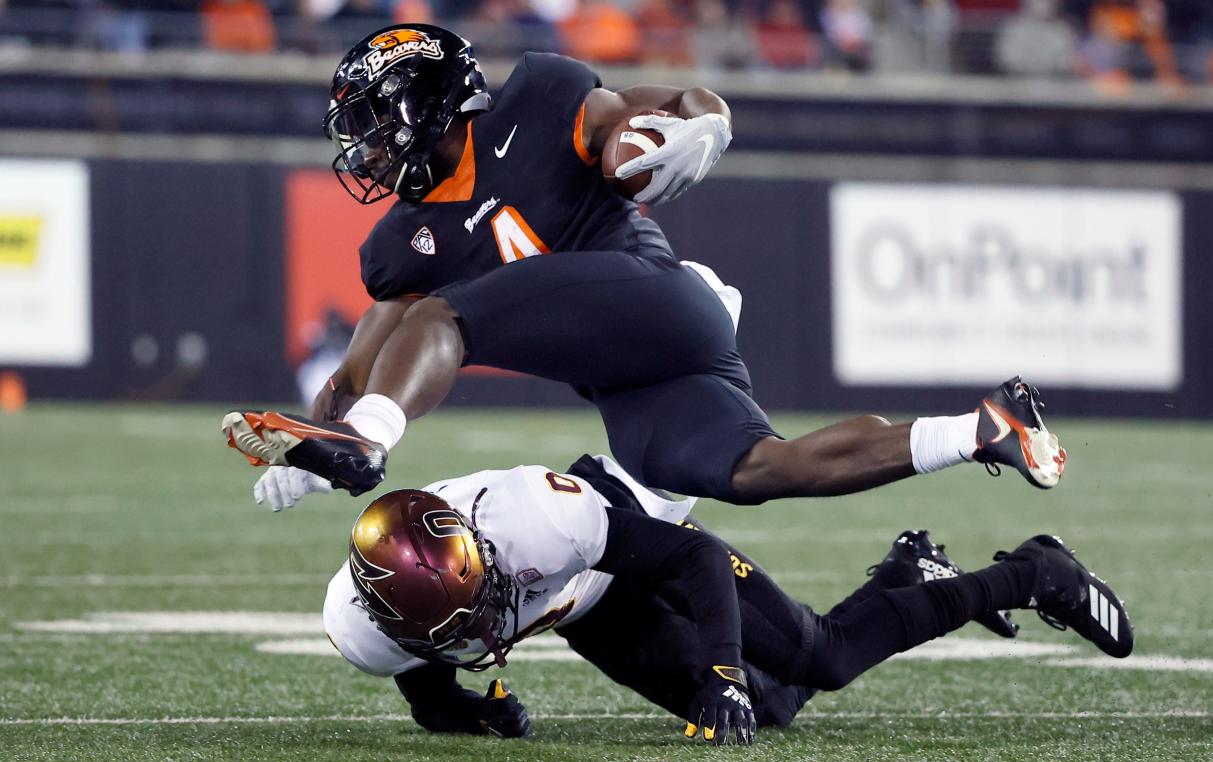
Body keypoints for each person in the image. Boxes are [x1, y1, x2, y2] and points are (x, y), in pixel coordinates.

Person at [222, 23, 1066, 508]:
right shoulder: (402, 239)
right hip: (630, 370)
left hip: (652, 302)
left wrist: (702, 123)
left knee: (452, 317)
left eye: (374, 121)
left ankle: (371, 443)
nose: (366, 150)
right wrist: (315, 446)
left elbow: (658, 107)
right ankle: (986, 428)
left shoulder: (538, 102)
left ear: (427, 97)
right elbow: (372, 345)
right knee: (756, 471)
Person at [314, 453, 1132, 745]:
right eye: (465, 620)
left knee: (821, 658)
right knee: (771, 715)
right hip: (588, 609)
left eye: (487, 592)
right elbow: (427, 686)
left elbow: (696, 557)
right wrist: (473, 713)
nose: (490, 619)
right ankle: (908, 577)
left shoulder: (540, 524)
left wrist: (724, 674)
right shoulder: (370, 632)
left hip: (627, 529)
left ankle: (1036, 572)